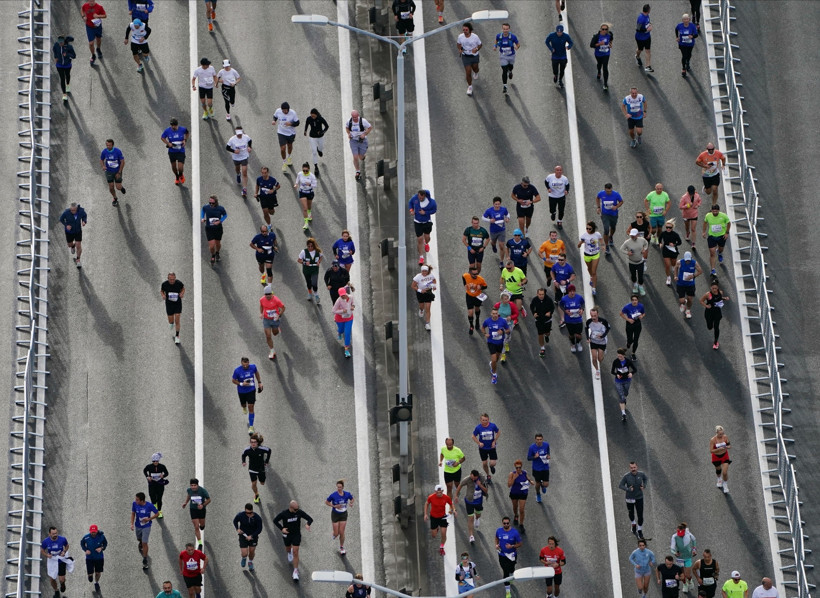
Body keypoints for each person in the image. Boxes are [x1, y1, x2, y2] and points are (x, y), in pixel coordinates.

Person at [273, 500, 313, 581]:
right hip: (287, 534)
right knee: (288, 549)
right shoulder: (284, 513)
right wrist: (282, 529)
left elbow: (310, 519)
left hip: (296, 534)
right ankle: (289, 552)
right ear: (290, 508)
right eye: (295, 509)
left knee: (296, 551)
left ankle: (295, 571)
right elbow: (275, 520)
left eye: (297, 509)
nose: (296, 511)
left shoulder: (299, 512)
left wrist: (308, 524)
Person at [455, 470, 487, 544]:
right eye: (471, 477)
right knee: (470, 518)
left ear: (477, 476)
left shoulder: (482, 479)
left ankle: (477, 518)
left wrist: (480, 485)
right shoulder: (467, 479)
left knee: (478, 515)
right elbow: (460, 485)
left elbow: (486, 491)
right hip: (469, 501)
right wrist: (456, 495)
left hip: (478, 501)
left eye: (474, 478)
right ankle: (471, 536)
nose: (472, 479)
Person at [233, 357, 263, 433]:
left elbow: (256, 373)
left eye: (247, 364)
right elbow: (233, 380)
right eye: (244, 365)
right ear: (241, 363)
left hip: (251, 390)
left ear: (249, 362)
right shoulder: (237, 371)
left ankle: (251, 427)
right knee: (244, 405)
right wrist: (241, 383)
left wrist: (259, 382)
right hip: (242, 391)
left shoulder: (253, 367)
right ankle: (244, 407)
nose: (245, 366)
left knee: (251, 406)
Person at [618, 462, 648, 538]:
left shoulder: (641, 474)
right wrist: (628, 489)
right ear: (629, 468)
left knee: (640, 515)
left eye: (634, 467)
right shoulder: (626, 476)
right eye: (631, 468)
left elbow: (645, 479)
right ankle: (633, 523)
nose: (633, 469)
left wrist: (644, 486)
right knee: (631, 514)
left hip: (639, 498)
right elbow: (620, 485)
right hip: (629, 498)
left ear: (637, 467)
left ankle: (640, 530)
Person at [424, 484, 455, 556]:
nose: (439, 494)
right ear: (435, 492)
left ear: (443, 491)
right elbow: (426, 503)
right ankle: (436, 528)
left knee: (443, 534)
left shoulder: (446, 497)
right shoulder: (431, 497)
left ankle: (441, 547)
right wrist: (425, 514)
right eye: (437, 492)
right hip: (434, 517)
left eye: (440, 492)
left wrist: (453, 510)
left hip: (442, 517)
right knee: (434, 535)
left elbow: (451, 504)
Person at [495, 517, 522, 598]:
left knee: (511, 569)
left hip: (512, 555)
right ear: (502, 523)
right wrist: (496, 544)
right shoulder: (499, 531)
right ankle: (507, 591)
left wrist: (512, 546)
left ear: (509, 523)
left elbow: (520, 544)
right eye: (504, 523)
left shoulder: (515, 533)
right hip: (502, 554)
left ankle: (511, 574)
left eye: (507, 523)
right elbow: (496, 538)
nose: (506, 525)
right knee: (505, 572)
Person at [408, 189, 437, 265]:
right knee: (419, 239)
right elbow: (410, 203)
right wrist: (411, 210)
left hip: (427, 222)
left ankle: (426, 243)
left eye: (421, 198)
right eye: (419, 197)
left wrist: (425, 212)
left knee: (427, 237)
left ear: (424, 196)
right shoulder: (415, 198)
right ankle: (421, 257)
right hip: (417, 222)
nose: (420, 199)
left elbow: (434, 210)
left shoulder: (432, 202)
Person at [131, 492, 159, 568]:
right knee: (139, 538)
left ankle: (145, 559)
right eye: (136, 499)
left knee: (144, 542)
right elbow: (133, 513)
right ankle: (140, 542)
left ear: (142, 500)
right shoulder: (134, 504)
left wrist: (149, 519)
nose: (136, 501)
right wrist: (132, 524)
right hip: (138, 526)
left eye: (137, 500)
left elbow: (157, 513)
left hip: (147, 526)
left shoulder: (149, 505)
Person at [41, 527, 72, 597]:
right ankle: (56, 590)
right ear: (49, 534)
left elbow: (67, 546)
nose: (55, 535)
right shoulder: (46, 541)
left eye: (56, 533)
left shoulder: (62, 539)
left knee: (61, 580)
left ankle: (63, 583)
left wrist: (64, 551)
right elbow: (42, 550)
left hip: (61, 560)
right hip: (52, 561)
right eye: (53, 534)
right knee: (52, 579)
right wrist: (46, 555)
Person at [326, 480, 355, 555]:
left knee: (342, 532)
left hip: (343, 514)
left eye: (340, 487)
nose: (339, 488)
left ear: (343, 487)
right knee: (336, 533)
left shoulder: (347, 494)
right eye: (338, 487)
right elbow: (326, 502)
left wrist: (351, 503)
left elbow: (352, 499)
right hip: (335, 514)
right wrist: (334, 506)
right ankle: (334, 534)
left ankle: (341, 547)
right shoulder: (333, 495)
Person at [483, 308, 510, 384]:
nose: (495, 315)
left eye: (496, 313)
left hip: (500, 343)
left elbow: (508, 330)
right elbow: (483, 327)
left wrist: (503, 331)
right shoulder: (487, 321)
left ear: (498, 314)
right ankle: (494, 375)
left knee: (496, 359)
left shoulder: (502, 321)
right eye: (493, 313)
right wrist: (485, 334)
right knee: (494, 359)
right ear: (491, 314)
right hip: (491, 342)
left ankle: (492, 365)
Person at [234, 503, 263, 571]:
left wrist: (252, 536)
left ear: (252, 510)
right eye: (247, 512)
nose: (248, 514)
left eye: (250, 513)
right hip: (243, 535)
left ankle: (250, 562)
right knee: (244, 553)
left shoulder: (257, 518)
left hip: (253, 536)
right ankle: (244, 558)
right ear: (245, 510)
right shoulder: (241, 515)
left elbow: (260, 529)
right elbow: (235, 521)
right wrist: (237, 529)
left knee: (252, 551)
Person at [482, 197, 511, 267]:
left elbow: (508, 214)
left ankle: (501, 261)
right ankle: (493, 245)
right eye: (496, 204)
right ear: (493, 204)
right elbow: (483, 217)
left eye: (498, 204)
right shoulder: (489, 210)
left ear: (500, 204)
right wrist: (490, 220)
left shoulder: (503, 209)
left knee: (501, 246)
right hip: (493, 231)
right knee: (493, 242)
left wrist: (507, 218)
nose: (497, 206)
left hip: (502, 230)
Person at [702, 205, 731, 275]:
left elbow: (729, 223)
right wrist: (703, 232)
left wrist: (727, 233)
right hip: (712, 236)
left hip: (721, 236)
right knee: (712, 253)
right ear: (711, 210)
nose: (715, 212)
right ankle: (713, 269)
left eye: (716, 211)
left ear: (719, 210)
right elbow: (705, 223)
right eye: (713, 211)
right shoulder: (708, 216)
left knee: (721, 249)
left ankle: (720, 253)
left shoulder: (723, 216)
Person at [507, 460, 534, 533]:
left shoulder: (524, 472)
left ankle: (521, 524)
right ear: (515, 467)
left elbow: (527, 478)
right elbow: (509, 485)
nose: (518, 469)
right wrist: (514, 478)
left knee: (522, 509)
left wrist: (530, 481)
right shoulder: (512, 474)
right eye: (517, 468)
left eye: (519, 467)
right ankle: (516, 515)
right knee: (515, 507)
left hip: (523, 493)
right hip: (514, 493)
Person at [272, 102, 300, 172]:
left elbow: (297, 123)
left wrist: (290, 123)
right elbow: (275, 116)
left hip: (291, 133)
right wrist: (274, 121)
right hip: (281, 132)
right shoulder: (278, 111)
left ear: (288, 109)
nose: (285, 111)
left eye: (286, 110)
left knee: (289, 146)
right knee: (282, 148)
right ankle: (284, 162)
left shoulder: (293, 113)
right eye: (283, 110)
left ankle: (289, 157)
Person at [259, 285, 285, 360]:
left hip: (275, 319)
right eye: (266, 294)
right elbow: (261, 306)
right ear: (264, 294)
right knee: (268, 336)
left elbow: (283, 308)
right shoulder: (262, 299)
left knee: (275, 333)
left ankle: (277, 328)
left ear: (271, 294)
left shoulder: (276, 300)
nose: (268, 296)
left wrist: (279, 314)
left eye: (269, 294)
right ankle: (272, 351)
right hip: (266, 319)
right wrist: (261, 313)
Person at [159, 271, 185, 344]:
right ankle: (171, 323)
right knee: (171, 321)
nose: (172, 281)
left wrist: (182, 293)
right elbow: (161, 291)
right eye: (170, 279)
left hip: (177, 303)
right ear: (168, 278)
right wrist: (163, 295)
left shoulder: (178, 283)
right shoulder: (164, 284)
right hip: (169, 304)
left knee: (177, 319)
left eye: (173, 279)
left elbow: (183, 288)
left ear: (175, 278)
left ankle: (177, 336)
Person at [225, 126, 252, 198]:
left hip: (244, 156)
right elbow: (227, 147)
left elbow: (250, 141)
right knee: (237, 169)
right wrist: (234, 151)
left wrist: (249, 147)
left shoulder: (246, 137)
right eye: (238, 134)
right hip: (236, 157)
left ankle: (244, 189)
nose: (239, 135)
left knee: (245, 171)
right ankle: (238, 174)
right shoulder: (232, 139)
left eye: (240, 133)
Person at [182, 480, 210, 549]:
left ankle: (202, 526)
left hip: (201, 510)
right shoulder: (189, 490)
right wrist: (185, 503)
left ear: (197, 485)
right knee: (196, 526)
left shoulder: (203, 491)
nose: (193, 487)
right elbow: (189, 496)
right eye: (192, 485)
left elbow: (209, 500)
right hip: (193, 509)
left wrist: (202, 505)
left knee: (202, 525)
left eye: (195, 485)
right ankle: (200, 543)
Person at [671, 523, 698, 592]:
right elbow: (672, 548)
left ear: (684, 530)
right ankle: (685, 584)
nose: (681, 535)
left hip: (688, 557)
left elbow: (694, 540)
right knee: (682, 575)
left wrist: (694, 549)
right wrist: (675, 553)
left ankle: (689, 580)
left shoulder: (688, 534)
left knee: (687, 574)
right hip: (680, 558)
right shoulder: (674, 537)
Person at [161, 118, 189, 185]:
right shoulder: (167, 131)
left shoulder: (183, 129)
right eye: (172, 125)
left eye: (175, 125)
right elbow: (162, 137)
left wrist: (185, 140)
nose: (173, 127)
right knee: (173, 167)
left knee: (180, 168)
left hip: (180, 151)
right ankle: (177, 177)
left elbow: (187, 133)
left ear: (177, 125)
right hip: (172, 152)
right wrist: (168, 143)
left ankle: (181, 175)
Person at [596, 183, 623, 253]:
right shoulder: (601, 193)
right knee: (606, 229)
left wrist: (616, 206)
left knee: (613, 227)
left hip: (614, 214)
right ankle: (606, 246)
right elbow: (597, 198)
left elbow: (621, 201)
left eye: (610, 191)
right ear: (604, 189)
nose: (609, 192)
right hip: (605, 214)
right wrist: (598, 207)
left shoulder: (616, 194)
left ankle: (611, 236)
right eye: (607, 191)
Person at [472, 414, 500, 481]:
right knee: (484, 463)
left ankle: (491, 466)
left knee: (493, 463)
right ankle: (488, 475)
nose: (485, 422)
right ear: (481, 420)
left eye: (486, 420)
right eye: (483, 420)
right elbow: (473, 436)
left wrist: (494, 441)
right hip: (483, 448)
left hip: (491, 447)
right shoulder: (478, 428)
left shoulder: (492, 426)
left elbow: (498, 432)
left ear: (488, 419)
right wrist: (479, 443)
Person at [621, 228, 649, 296]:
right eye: (631, 235)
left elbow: (646, 243)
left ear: (637, 234)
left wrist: (644, 249)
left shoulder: (642, 240)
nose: (632, 236)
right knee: (633, 276)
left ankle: (641, 286)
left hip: (640, 262)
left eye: (634, 235)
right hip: (632, 262)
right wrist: (627, 253)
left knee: (640, 276)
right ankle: (635, 285)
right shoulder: (627, 242)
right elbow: (621, 249)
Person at [612, 348, 637, 422]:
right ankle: (623, 414)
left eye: (620, 356)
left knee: (625, 393)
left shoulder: (628, 361)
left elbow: (635, 369)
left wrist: (631, 373)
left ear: (624, 356)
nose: (619, 358)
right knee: (621, 396)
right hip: (618, 381)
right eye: (618, 356)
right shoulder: (615, 361)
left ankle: (624, 399)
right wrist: (617, 375)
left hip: (627, 380)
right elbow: (612, 371)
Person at [59, 202, 87, 269]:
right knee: (69, 245)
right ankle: (72, 246)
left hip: (78, 231)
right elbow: (61, 219)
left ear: (76, 209)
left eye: (73, 210)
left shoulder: (81, 211)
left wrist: (84, 221)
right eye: (71, 210)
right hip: (69, 232)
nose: (72, 211)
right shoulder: (66, 212)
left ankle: (78, 260)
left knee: (79, 245)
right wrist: (66, 225)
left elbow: (84, 216)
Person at [494, 23, 520, 94]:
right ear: (502, 29)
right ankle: (505, 86)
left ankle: (510, 71)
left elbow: (518, 44)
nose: (505, 30)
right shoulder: (499, 36)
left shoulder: (513, 37)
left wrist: (517, 47)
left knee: (510, 67)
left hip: (511, 55)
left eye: (507, 29)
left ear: (509, 29)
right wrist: (495, 46)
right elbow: (496, 40)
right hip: (503, 56)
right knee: (504, 70)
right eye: (504, 29)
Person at [457, 23, 482, 96]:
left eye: (466, 30)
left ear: (470, 30)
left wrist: (476, 49)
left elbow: (480, 44)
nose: (465, 31)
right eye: (463, 30)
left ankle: (476, 72)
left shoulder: (475, 37)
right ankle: (470, 86)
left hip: (474, 56)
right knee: (468, 72)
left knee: (475, 68)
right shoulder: (460, 37)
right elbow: (458, 44)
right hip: (465, 56)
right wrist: (460, 49)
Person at [346, 110, 372, 180]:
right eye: (353, 117)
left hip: (362, 141)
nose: (354, 119)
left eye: (355, 117)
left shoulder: (363, 121)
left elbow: (370, 127)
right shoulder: (349, 121)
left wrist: (364, 134)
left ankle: (363, 157)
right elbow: (347, 128)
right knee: (355, 157)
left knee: (360, 157)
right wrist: (349, 134)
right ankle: (358, 171)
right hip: (353, 141)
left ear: (358, 116)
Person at [201, 195, 226, 265]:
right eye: (210, 203)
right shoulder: (206, 207)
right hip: (209, 228)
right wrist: (202, 218)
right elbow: (203, 210)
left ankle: (217, 252)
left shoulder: (220, 208)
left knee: (217, 243)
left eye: (212, 203)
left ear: (216, 202)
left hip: (218, 228)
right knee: (212, 245)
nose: (211, 204)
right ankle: (213, 255)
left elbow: (225, 215)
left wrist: (220, 221)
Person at [578, 221, 603, 295]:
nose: (588, 230)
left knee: (594, 271)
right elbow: (580, 243)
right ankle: (591, 277)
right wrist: (579, 244)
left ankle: (594, 288)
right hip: (587, 254)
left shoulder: (597, 234)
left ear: (593, 228)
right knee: (589, 268)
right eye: (587, 228)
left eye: (589, 229)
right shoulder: (584, 235)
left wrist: (603, 245)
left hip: (595, 254)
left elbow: (601, 239)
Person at [494, 292, 519, 363]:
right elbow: (493, 313)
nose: (507, 300)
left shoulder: (511, 305)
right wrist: (497, 316)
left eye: (508, 298)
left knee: (508, 337)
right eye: (505, 299)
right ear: (501, 299)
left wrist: (511, 317)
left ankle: (507, 343)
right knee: (502, 340)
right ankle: (503, 355)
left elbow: (516, 314)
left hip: (509, 324)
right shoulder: (497, 305)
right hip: (500, 325)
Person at [559, 284, 585, 352]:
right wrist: (565, 311)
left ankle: (578, 342)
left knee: (578, 335)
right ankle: (573, 343)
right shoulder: (564, 299)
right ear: (568, 291)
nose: (572, 292)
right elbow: (560, 305)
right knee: (571, 335)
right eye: (570, 291)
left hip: (578, 320)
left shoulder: (579, 297)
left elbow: (583, 304)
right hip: (569, 321)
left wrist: (582, 310)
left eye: (573, 291)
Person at [81, 524, 107, 592]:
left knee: (98, 573)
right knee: (90, 573)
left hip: (99, 558)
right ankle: (90, 575)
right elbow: (82, 543)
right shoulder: (86, 537)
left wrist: (101, 548)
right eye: (92, 532)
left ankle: (96, 583)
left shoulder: (101, 536)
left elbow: (105, 544)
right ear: (90, 531)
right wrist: (85, 550)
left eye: (94, 532)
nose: (93, 533)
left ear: (97, 531)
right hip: (89, 558)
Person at [525, 433, 551, 504]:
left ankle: (543, 485)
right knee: (538, 483)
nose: (539, 441)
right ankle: (538, 494)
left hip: (545, 467)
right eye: (537, 440)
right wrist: (534, 457)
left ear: (542, 439)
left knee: (546, 484)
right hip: (537, 469)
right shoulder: (532, 447)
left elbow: (548, 451)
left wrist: (548, 455)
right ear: (535, 440)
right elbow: (528, 458)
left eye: (540, 439)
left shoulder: (546, 444)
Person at [464, 264, 488, 336]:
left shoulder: (480, 279)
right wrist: (465, 284)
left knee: (477, 309)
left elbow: (485, 286)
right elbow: (463, 278)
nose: (475, 275)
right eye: (474, 274)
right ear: (470, 273)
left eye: (477, 273)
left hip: (477, 296)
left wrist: (480, 288)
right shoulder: (466, 276)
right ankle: (471, 325)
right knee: (470, 312)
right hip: (469, 296)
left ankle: (477, 320)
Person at [586, 307, 610, 378]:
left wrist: (603, 336)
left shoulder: (603, 321)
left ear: (597, 314)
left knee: (600, 359)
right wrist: (588, 338)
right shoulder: (589, 321)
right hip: (593, 341)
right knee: (594, 358)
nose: (593, 317)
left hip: (602, 342)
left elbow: (608, 328)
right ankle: (597, 370)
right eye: (592, 316)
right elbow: (586, 328)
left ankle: (603, 351)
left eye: (595, 316)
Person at [99, 139, 125, 206]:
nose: (108, 146)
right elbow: (101, 160)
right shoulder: (104, 152)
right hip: (109, 172)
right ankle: (115, 198)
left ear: (112, 145)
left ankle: (121, 188)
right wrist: (103, 166)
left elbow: (122, 162)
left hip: (117, 171)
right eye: (107, 145)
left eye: (109, 145)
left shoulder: (118, 151)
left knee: (118, 187)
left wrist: (119, 172)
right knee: (111, 187)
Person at [304, 108, 329, 175]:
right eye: (312, 116)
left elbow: (327, 126)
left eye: (314, 116)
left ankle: (319, 150)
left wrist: (322, 132)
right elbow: (307, 124)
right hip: (312, 137)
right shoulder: (309, 119)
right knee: (314, 152)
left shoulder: (320, 119)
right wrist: (305, 131)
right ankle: (316, 167)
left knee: (321, 148)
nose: (313, 117)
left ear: (316, 115)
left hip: (320, 137)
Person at [143, 452, 169, 517]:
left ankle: (159, 511)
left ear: (158, 461)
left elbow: (166, 473)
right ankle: (155, 506)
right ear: (152, 461)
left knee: (159, 498)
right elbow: (144, 471)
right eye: (154, 461)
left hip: (160, 484)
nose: (155, 462)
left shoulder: (162, 466)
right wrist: (147, 477)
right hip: (152, 484)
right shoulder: (149, 466)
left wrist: (163, 475)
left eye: (157, 461)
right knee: (152, 496)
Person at [530, 288, 555, 357]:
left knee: (547, 332)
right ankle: (542, 348)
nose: (541, 296)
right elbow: (531, 306)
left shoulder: (548, 300)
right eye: (539, 294)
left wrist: (550, 312)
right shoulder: (535, 300)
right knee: (540, 334)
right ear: (537, 294)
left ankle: (547, 335)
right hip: (538, 319)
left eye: (542, 294)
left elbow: (552, 307)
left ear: (544, 294)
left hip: (547, 320)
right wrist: (533, 313)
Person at [412, 264, 436, 332]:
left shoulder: (431, 275)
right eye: (423, 271)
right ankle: (421, 310)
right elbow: (413, 286)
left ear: (428, 271)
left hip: (428, 292)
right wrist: (420, 290)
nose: (424, 273)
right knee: (422, 306)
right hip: (420, 293)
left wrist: (434, 286)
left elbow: (434, 280)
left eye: (425, 271)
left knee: (428, 308)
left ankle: (427, 324)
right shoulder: (418, 277)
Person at [80, 0, 106, 65]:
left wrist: (98, 16)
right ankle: (93, 55)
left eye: (92, 1)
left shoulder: (99, 7)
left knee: (98, 39)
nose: (91, 3)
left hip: (97, 26)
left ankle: (98, 49)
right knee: (91, 43)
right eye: (90, 1)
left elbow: (105, 15)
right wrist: (83, 17)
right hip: (89, 27)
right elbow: (82, 10)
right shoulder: (85, 5)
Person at [621, 295, 646, 361]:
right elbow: (621, 313)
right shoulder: (627, 307)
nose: (634, 301)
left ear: (638, 300)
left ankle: (633, 353)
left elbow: (643, 313)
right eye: (633, 300)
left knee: (636, 340)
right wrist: (628, 319)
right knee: (630, 339)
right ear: (631, 301)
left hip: (637, 324)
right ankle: (629, 343)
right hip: (629, 324)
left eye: (636, 300)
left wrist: (642, 316)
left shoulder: (641, 306)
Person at [332, 287, 356, 358]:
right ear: (339, 295)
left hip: (349, 318)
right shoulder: (338, 301)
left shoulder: (351, 297)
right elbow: (333, 311)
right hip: (340, 319)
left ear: (346, 293)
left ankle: (346, 350)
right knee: (341, 330)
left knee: (347, 333)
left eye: (344, 295)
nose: (343, 296)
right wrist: (342, 311)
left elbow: (353, 303)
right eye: (341, 295)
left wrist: (352, 306)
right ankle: (339, 332)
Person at [298, 238, 323, 303]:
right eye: (308, 246)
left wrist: (319, 262)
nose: (310, 248)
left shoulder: (318, 251)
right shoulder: (304, 252)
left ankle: (316, 294)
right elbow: (299, 260)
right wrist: (304, 262)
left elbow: (321, 257)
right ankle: (309, 293)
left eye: (311, 246)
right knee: (309, 283)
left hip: (314, 269)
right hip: (307, 270)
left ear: (314, 246)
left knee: (314, 283)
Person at [294, 161, 318, 227]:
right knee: (305, 208)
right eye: (303, 170)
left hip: (310, 192)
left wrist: (310, 184)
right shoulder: (300, 174)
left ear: (309, 169)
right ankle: (306, 223)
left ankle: (309, 212)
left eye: (306, 171)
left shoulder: (312, 176)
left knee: (309, 206)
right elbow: (297, 179)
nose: (305, 172)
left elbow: (315, 185)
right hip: (302, 192)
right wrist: (296, 184)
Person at [589, 23, 613, 91]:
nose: (604, 31)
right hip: (598, 54)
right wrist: (599, 44)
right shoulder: (596, 36)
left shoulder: (609, 35)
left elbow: (611, 39)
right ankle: (599, 71)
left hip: (606, 54)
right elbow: (591, 45)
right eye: (603, 29)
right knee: (599, 64)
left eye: (606, 29)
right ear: (600, 29)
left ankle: (605, 83)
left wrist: (610, 44)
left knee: (605, 67)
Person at [659, 218, 683, 286]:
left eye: (670, 227)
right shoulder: (663, 233)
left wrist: (674, 244)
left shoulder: (675, 234)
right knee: (667, 265)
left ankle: (673, 268)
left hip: (673, 251)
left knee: (673, 263)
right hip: (666, 250)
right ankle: (668, 278)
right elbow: (659, 239)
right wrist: (660, 244)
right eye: (667, 227)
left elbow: (680, 242)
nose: (668, 229)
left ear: (672, 227)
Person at [53, 35, 76, 103]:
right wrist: (56, 57)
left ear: (64, 42)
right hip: (59, 65)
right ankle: (64, 94)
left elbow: (74, 56)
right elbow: (54, 50)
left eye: (61, 43)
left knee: (67, 75)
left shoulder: (69, 47)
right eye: (59, 42)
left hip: (67, 65)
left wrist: (67, 55)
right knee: (62, 78)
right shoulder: (56, 45)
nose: (60, 44)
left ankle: (68, 84)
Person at [709, 425, 731, 493]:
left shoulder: (725, 437)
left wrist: (726, 447)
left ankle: (725, 484)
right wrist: (718, 450)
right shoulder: (713, 440)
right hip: (716, 457)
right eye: (720, 434)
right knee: (718, 470)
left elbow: (729, 445)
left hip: (725, 455)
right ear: (716, 433)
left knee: (724, 472)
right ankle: (719, 479)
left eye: (722, 433)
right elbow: (711, 451)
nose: (721, 435)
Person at [635, 4, 653, 72]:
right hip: (640, 38)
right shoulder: (641, 18)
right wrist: (647, 30)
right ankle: (637, 56)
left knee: (648, 50)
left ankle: (648, 66)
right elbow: (638, 29)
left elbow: (647, 23)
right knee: (640, 49)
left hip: (647, 37)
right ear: (648, 10)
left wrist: (649, 25)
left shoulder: (647, 16)